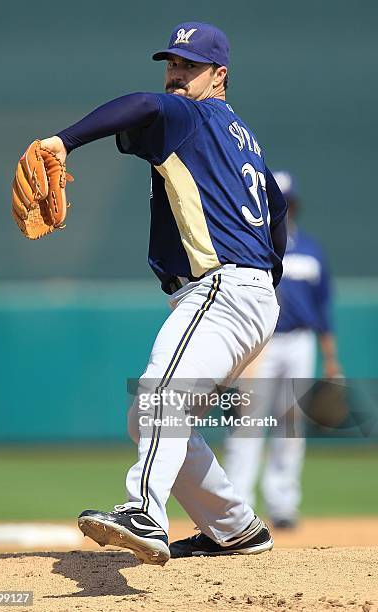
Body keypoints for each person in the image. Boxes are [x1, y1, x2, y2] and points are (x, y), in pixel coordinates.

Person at [36, 21, 287, 564]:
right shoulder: (241, 133)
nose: (176, 73)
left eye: (190, 66)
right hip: (246, 290)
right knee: (147, 416)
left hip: (222, 289)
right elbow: (277, 210)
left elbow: (141, 106)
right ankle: (235, 528)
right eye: (173, 62)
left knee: (160, 395)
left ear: (219, 76)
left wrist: (64, 140)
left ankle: (143, 514)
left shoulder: (189, 114)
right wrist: (268, 287)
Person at [224, 171, 342, 528]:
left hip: (300, 343)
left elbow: (323, 310)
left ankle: (283, 505)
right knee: (246, 422)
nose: (282, 209)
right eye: (276, 201)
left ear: (294, 206)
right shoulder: (249, 244)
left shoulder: (311, 250)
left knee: (290, 425)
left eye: (286, 203)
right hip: (261, 343)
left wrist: (331, 359)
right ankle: (236, 507)